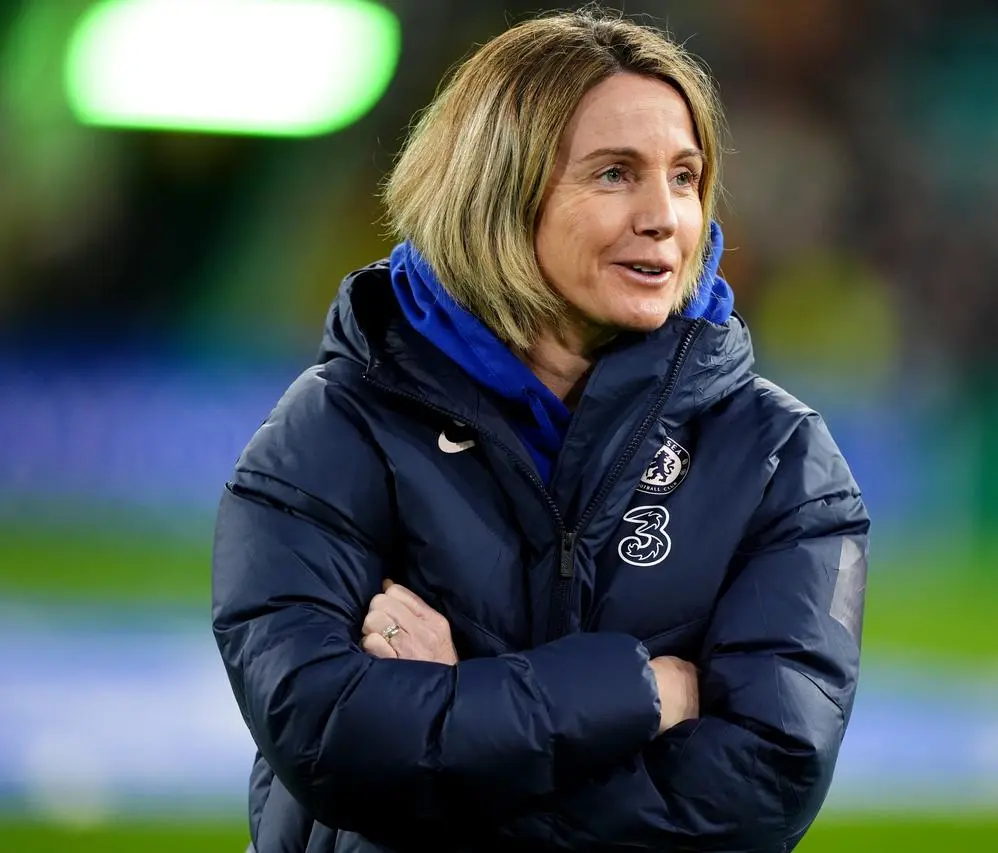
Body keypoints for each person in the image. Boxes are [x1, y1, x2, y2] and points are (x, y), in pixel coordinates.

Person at [211, 8, 869, 852]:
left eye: (684, 175)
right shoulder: (333, 433)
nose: (664, 216)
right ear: (497, 190)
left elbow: (755, 789)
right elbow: (331, 736)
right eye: (613, 174)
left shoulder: (781, 461)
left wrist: (453, 725)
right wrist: (636, 695)